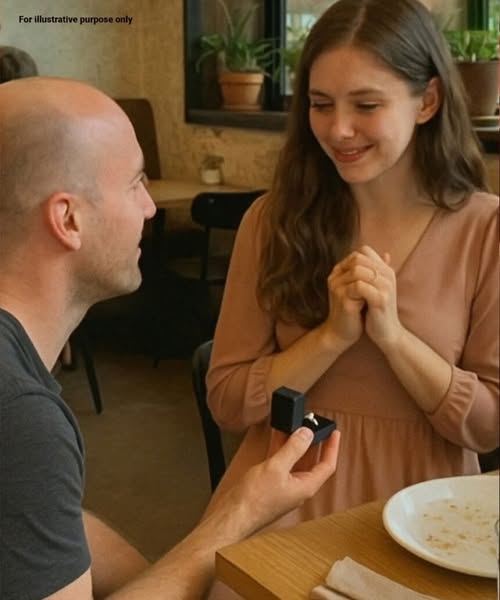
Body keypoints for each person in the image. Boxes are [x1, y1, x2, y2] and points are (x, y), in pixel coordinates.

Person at [0, 76, 341, 599]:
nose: (150, 208)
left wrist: (159, 580)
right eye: (136, 183)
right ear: (68, 218)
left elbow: (48, 521)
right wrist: (240, 514)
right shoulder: (21, 419)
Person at [206, 0, 499, 584]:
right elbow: (228, 402)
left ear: (428, 101)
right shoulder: (271, 221)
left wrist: (393, 337)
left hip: (431, 517)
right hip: (282, 498)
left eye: (366, 105)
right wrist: (331, 337)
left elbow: (488, 425)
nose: (338, 129)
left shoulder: (486, 230)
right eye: (320, 105)